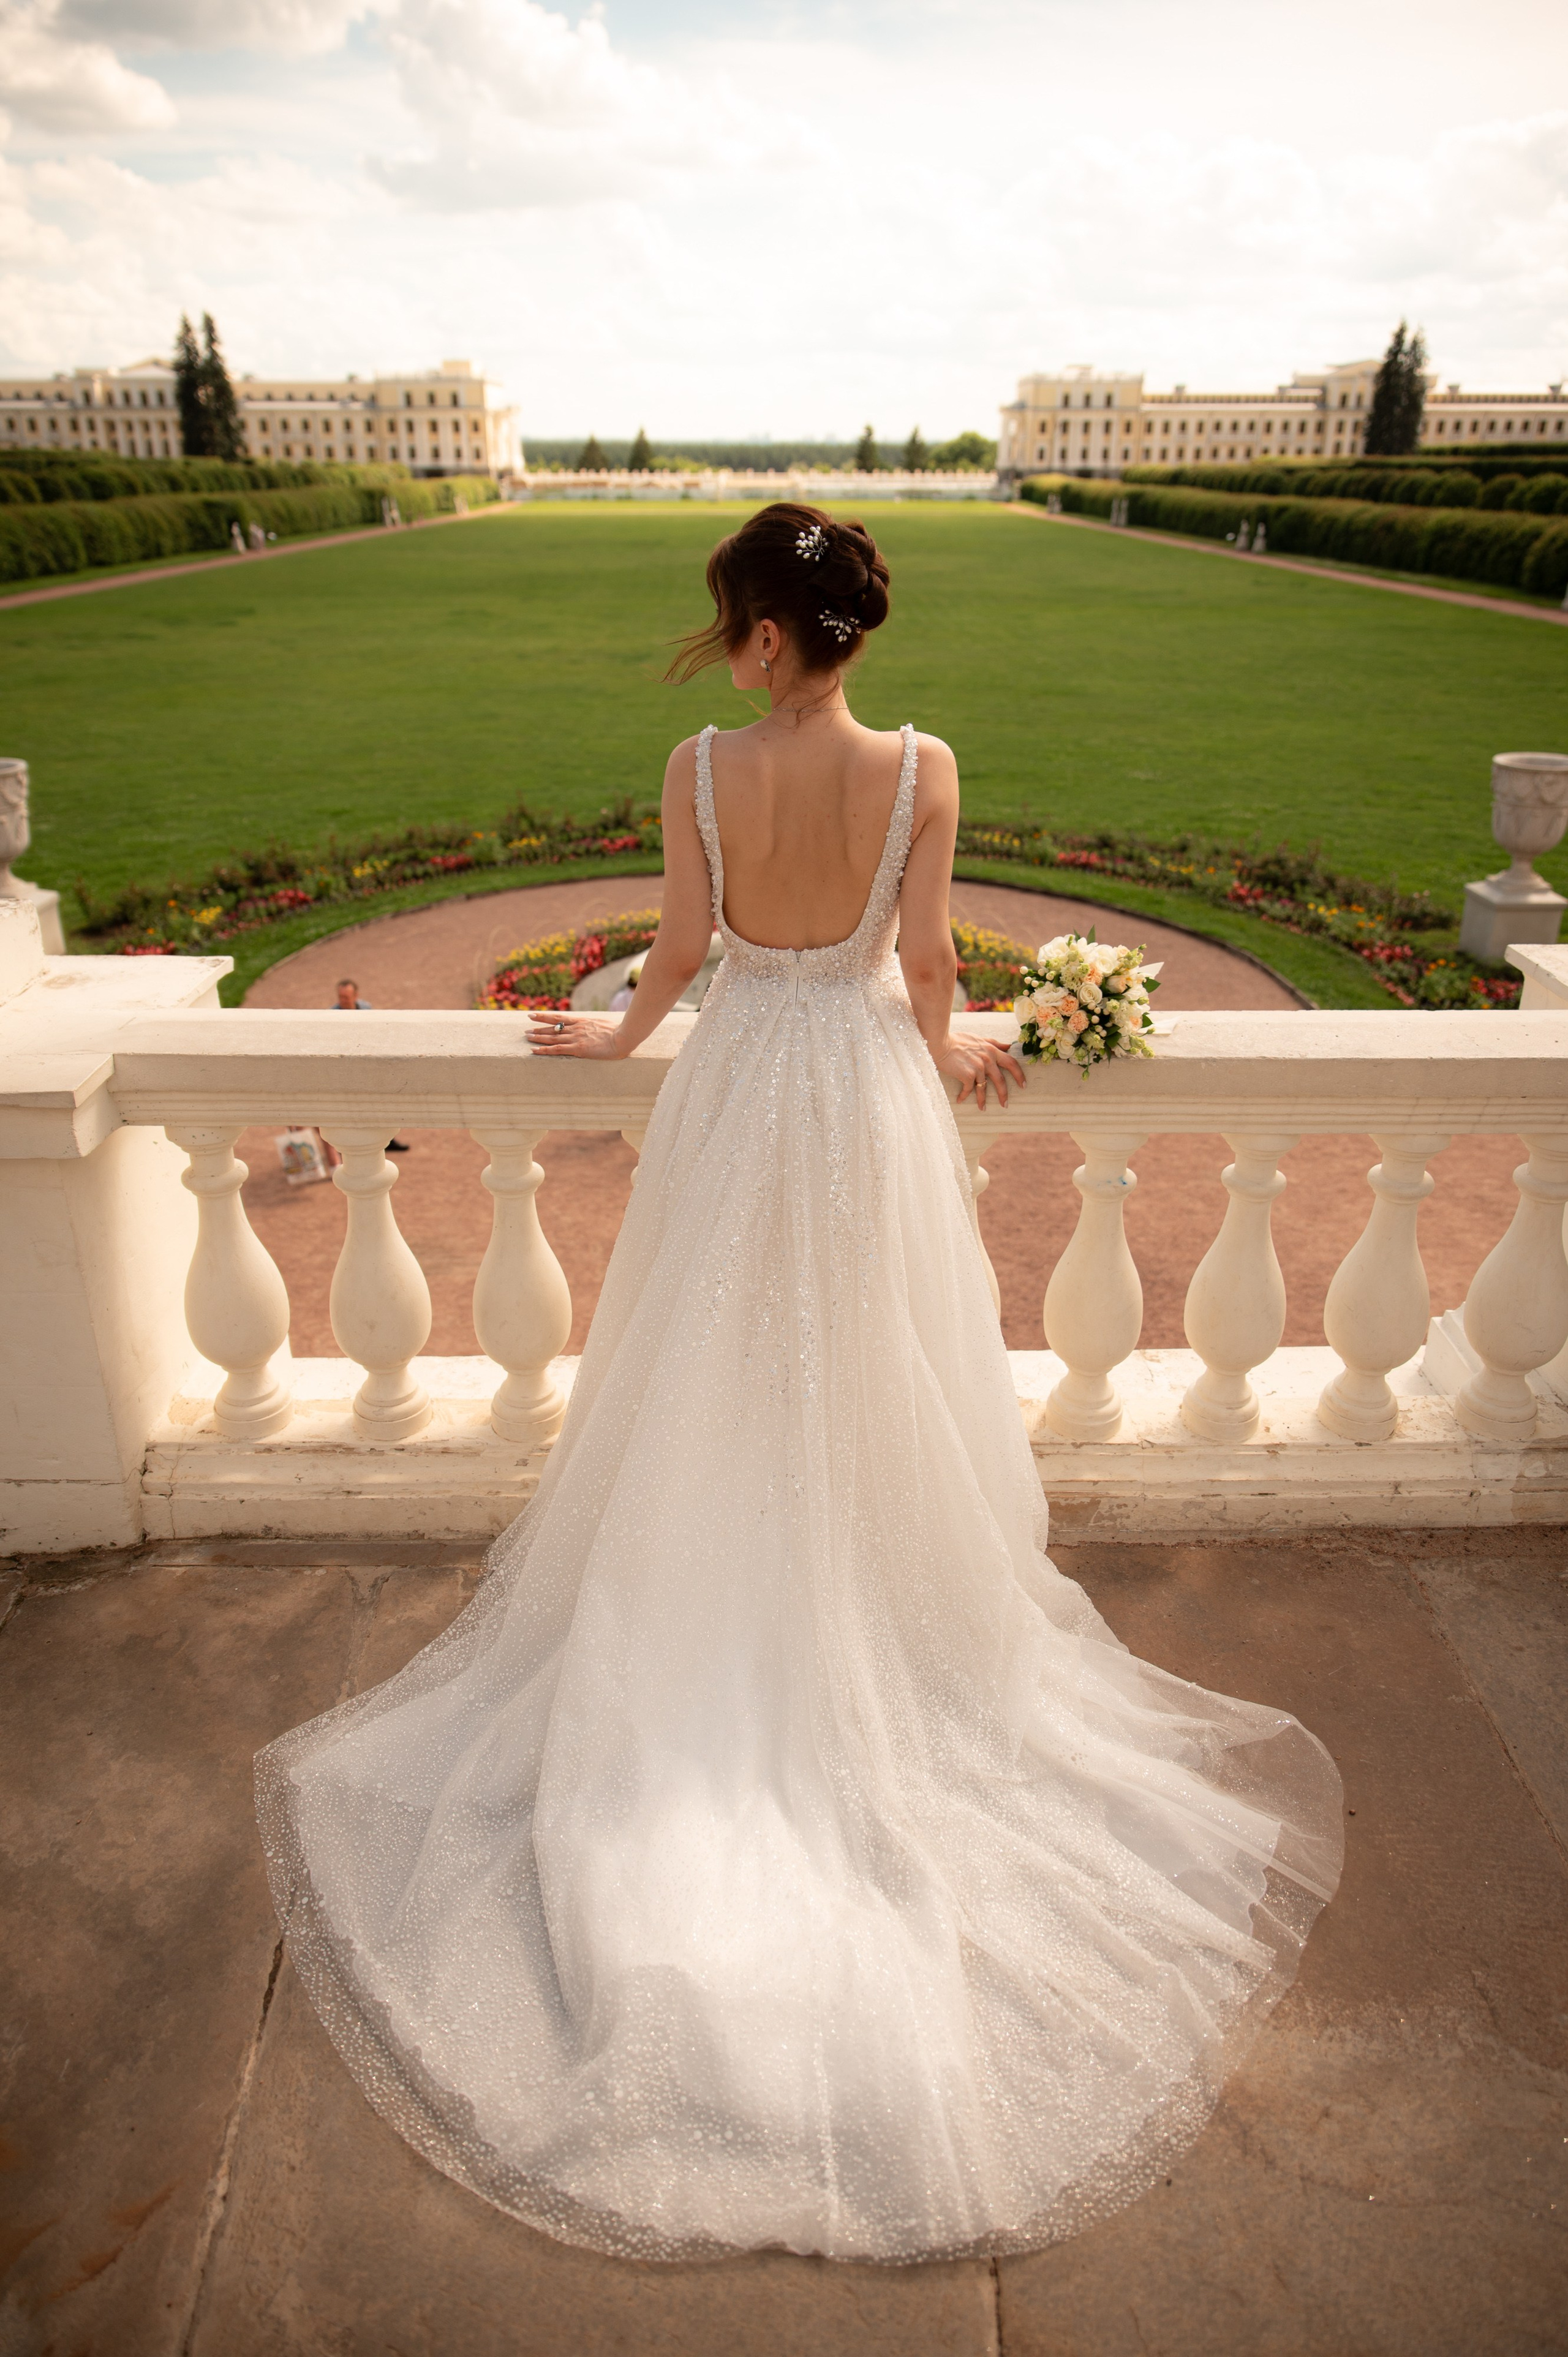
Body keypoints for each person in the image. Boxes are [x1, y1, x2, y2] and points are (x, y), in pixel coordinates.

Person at [257, 503, 1341, 2265]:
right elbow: (925, 969)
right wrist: (959, 1045)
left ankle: (723, 1612)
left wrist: (613, 1037)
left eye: (729, 617)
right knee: (870, 1368)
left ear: (767, 631)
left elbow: (680, 959)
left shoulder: (699, 767)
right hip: (863, 1097)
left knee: (703, 1365)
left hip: (738, 1089)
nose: (721, 641)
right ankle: (868, 1618)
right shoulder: (924, 764)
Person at [331, 981, 408, 1149]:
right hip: (349, 1070)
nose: (343, 1001)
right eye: (341, 997)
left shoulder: (367, 1009)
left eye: (346, 997)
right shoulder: (332, 1015)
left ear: (356, 996)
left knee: (381, 1103)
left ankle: (388, 1140)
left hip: (369, 1066)